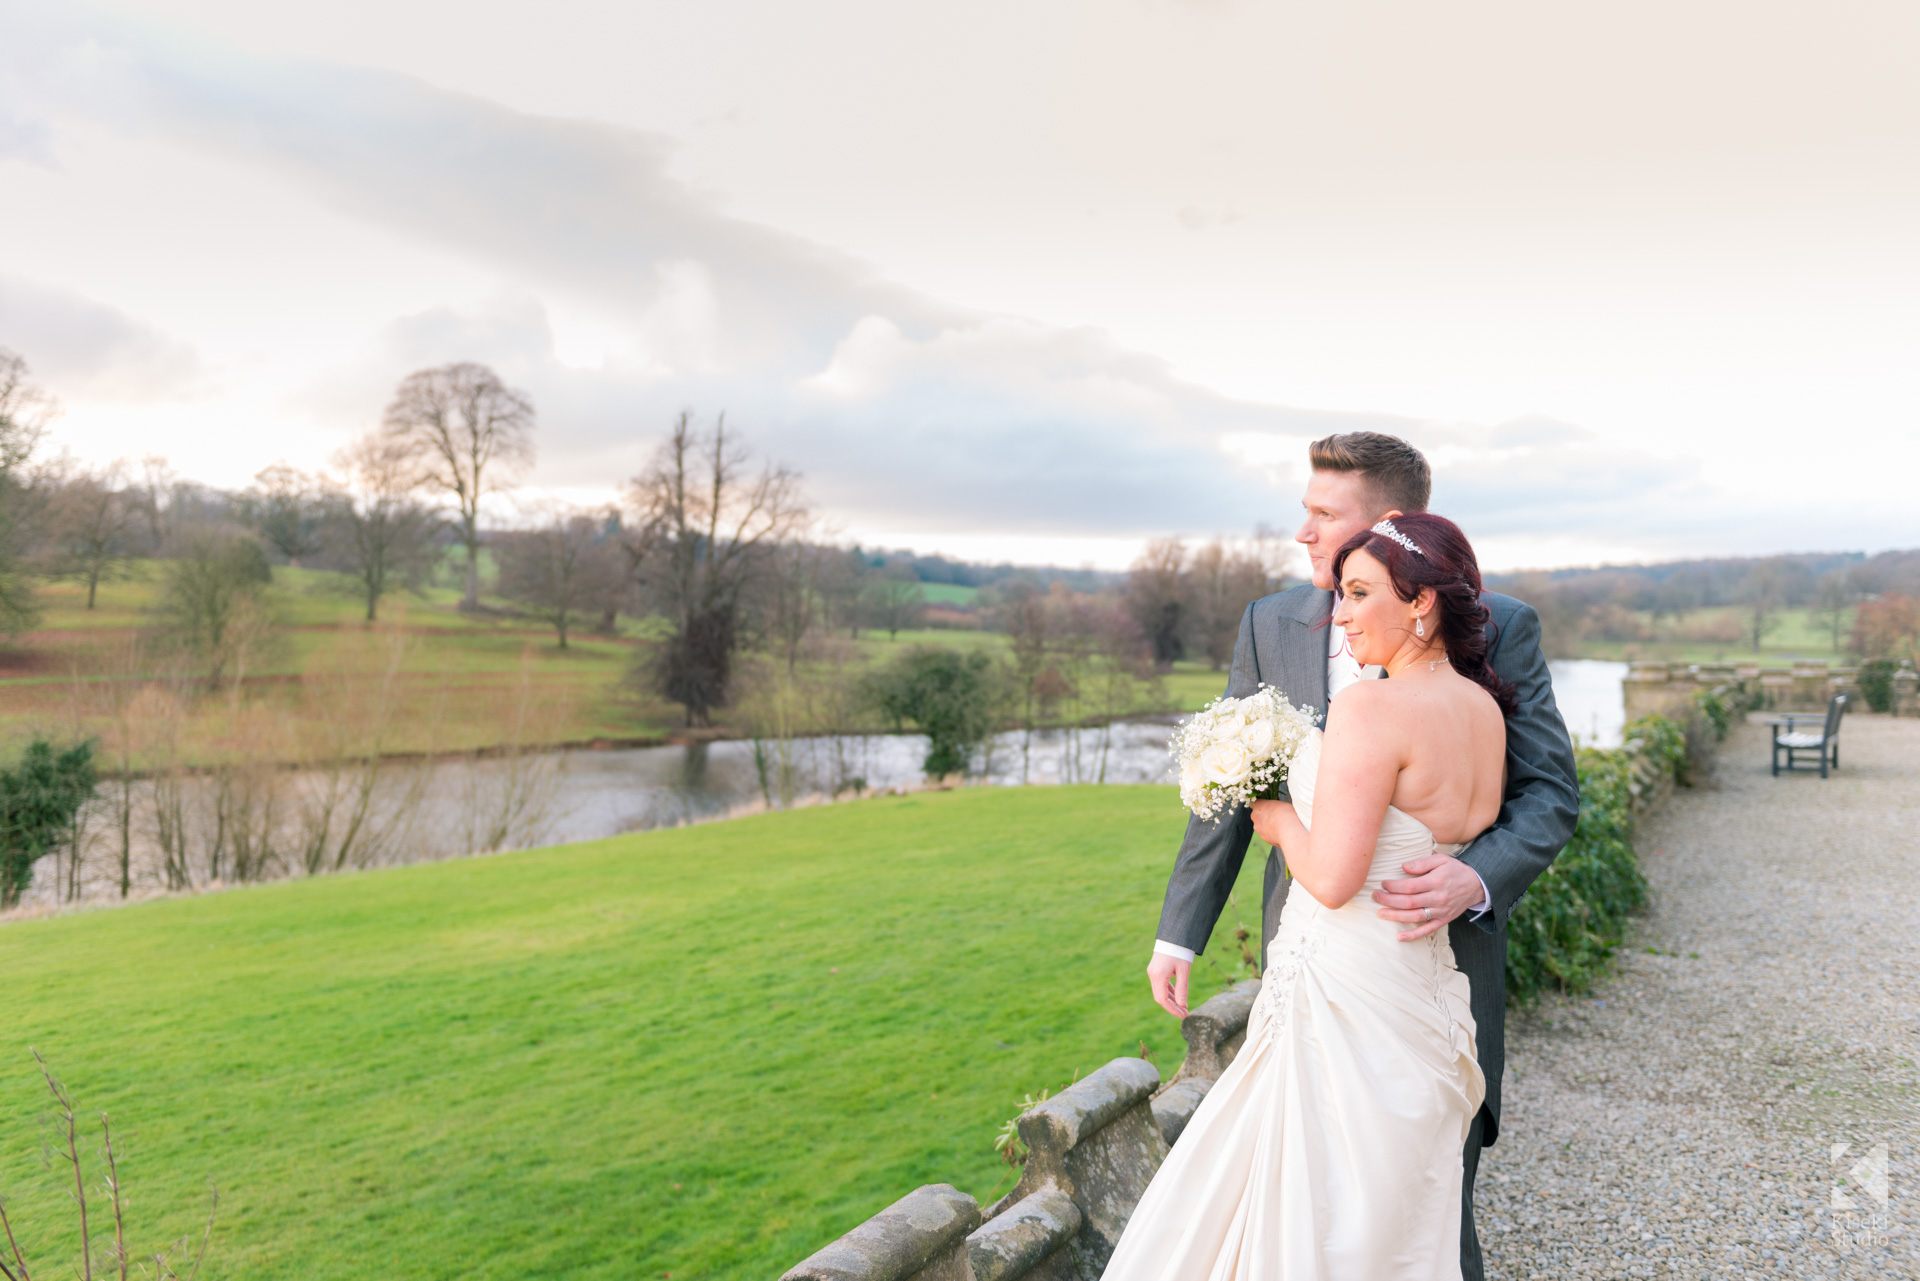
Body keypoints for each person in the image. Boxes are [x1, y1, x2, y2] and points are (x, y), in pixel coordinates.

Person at [1141, 434, 1578, 1279]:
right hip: (1312, 969)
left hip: (1434, 959)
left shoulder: (1500, 629)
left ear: (1386, 527)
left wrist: (1475, 875)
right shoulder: (1270, 621)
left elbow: (1550, 793)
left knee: (1422, 1215)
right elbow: (1240, 773)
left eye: (1322, 514)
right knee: (1301, 1203)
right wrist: (1179, 933)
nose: (1302, 532)